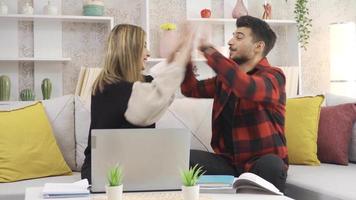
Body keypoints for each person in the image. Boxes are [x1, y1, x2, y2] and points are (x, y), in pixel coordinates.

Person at [181, 16, 288, 192]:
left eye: (239, 37)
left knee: (272, 165)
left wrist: (206, 49)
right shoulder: (224, 81)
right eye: (233, 36)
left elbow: (246, 87)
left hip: (261, 165)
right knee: (181, 158)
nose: (230, 42)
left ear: (258, 46)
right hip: (229, 163)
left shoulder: (274, 77)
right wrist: (186, 58)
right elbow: (190, 89)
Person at [81, 24, 194, 183]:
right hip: (105, 171)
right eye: (144, 46)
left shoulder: (142, 84)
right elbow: (158, 96)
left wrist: (178, 51)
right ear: (130, 50)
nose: (148, 53)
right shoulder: (109, 88)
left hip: (135, 166)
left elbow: (163, 91)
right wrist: (185, 50)